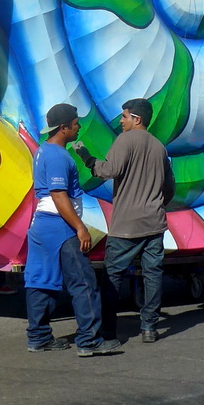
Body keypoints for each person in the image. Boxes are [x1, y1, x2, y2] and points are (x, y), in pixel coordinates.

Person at [23, 103, 122, 357]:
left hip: (41, 225)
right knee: (84, 282)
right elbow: (59, 195)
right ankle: (89, 341)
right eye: (75, 124)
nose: (78, 127)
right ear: (64, 128)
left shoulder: (43, 151)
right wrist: (80, 227)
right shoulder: (57, 156)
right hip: (60, 226)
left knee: (40, 280)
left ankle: (38, 337)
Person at [73, 98, 173, 344]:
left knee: (113, 276)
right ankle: (149, 327)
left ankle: (108, 331)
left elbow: (107, 171)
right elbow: (169, 187)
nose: (121, 120)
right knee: (152, 275)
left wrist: (85, 155)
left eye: (124, 116)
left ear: (136, 119)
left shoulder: (124, 141)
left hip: (126, 226)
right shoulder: (159, 147)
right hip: (154, 223)